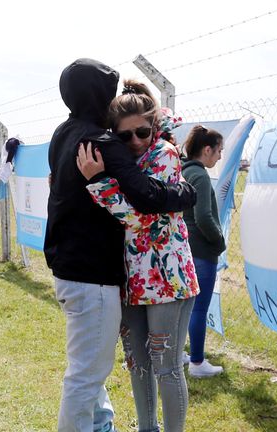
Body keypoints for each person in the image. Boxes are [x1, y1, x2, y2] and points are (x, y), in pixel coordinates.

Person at [45, 58, 196, 432]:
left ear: (155, 127)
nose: (132, 141)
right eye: (124, 134)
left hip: (164, 278)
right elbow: (143, 199)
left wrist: (183, 192)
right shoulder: (101, 144)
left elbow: (143, 212)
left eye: (141, 133)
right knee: (132, 365)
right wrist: (183, 194)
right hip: (126, 279)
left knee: (165, 366)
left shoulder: (158, 153)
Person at [181, 126, 227, 378]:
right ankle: (197, 363)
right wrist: (219, 242)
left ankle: (181, 354)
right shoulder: (198, 175)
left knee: (186, 308)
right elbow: (204, 216)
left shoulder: (185, 171)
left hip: (188, 249)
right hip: (201, 251)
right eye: (218, 151)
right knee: (199, 309)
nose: (220, 156)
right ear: (206, 149)